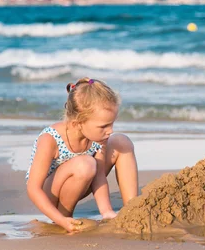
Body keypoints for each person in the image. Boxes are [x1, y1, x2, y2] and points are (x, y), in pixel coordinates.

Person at [26, 77, 138, 233]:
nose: (110, 130)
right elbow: (33, 188)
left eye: (112, 123)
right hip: (50, 194)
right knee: (85, 164)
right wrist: (60, 220)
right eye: (104, 126)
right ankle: (65, 217)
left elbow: (99, 175)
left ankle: (133, 209)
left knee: (121, 142)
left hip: (84, 178)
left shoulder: (98, 137)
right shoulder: (50, 139)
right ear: (77, 123)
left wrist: (106, 212)